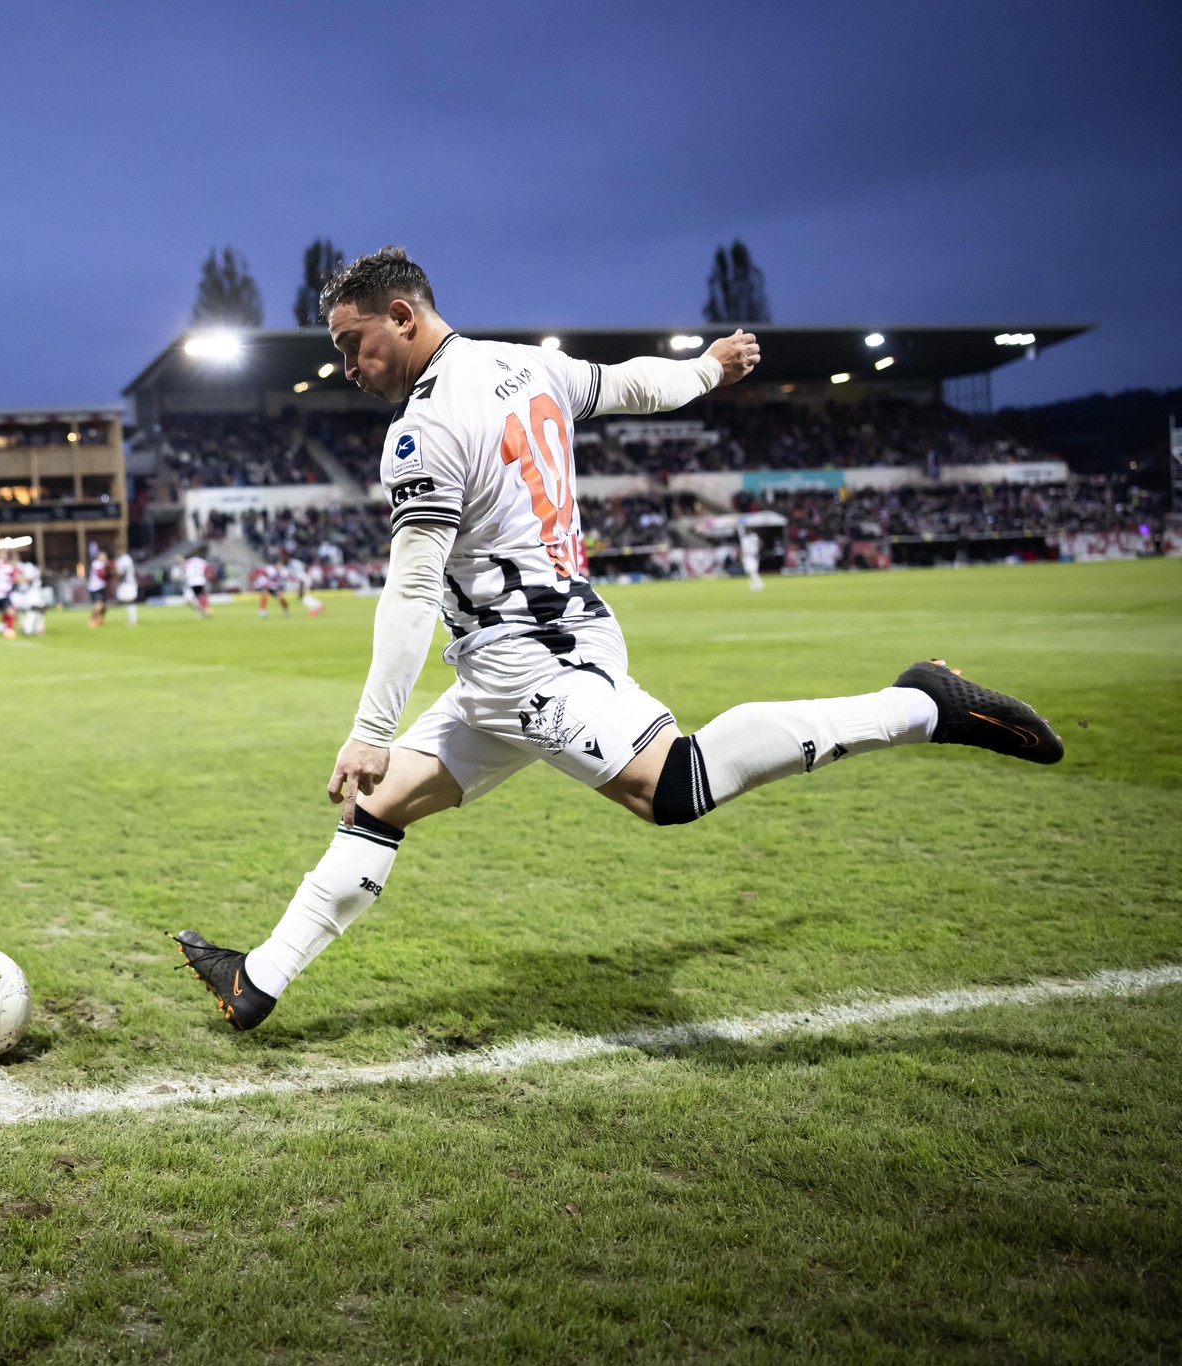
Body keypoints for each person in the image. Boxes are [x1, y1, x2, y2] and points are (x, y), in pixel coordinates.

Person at [175, 245, 1064, 1031]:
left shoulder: (424, 428)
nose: (344, 365)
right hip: (512, 658)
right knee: (378, 805)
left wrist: (372, 726)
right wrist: (708, 370)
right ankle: (258, 980)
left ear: (402, 316)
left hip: (532, 661)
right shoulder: (527, 366)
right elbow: (637, 385)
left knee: (671, 788)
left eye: (350, 342)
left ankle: (919, 705)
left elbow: (410, 588)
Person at [0, 552, 19, 638]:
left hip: (0, 593)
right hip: (1, 593)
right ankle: (9, 629)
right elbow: (16, 578)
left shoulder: (0, 565)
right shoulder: (8, 568)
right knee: (11, 612)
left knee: (8, 610)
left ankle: (1, 625)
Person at [15, 558, 47, 636]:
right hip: (30, 593)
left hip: (34, 593)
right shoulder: (29, 568)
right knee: (33, 611)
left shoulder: (29, 568)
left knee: (35, 611)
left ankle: (30, 628)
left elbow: (27, 579)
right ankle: (29, 627)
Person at [179, 552, 212, 618]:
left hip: (191, 582)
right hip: (200, 581)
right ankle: (203, 609)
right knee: (199, 597)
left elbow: (183, 565)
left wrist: (180, 560)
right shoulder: (203, 562)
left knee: (190, 600)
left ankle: (202, 611)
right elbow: (208, 571)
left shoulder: (189, 561)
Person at [87, 545, 113, 628]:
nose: (104, 557)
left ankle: (101, 618)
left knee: (105, 606)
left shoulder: (104, 564)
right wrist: (109, 572)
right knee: (98, 605)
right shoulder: (96, 564)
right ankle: (92, 620)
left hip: (102, 586)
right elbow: (101, 575)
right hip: (95, 587)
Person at [114, 548, 140, 626]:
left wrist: (119, 578)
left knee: (130, 601)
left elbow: (125, 571)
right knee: (123, 600)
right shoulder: (119, 559)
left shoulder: (126, 559)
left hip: (128, 583)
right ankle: (132, 618)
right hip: (124, 583)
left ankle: (133, 619)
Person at [739, 523, 766, 593]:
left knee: (753, 571)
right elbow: (744, 548)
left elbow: (760, 543)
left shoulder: (754, 536)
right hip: (747, 556)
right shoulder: (744, 538)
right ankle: (753, 585)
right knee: (749, 571)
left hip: (753, 555)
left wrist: (757, 549)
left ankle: (759, 583)